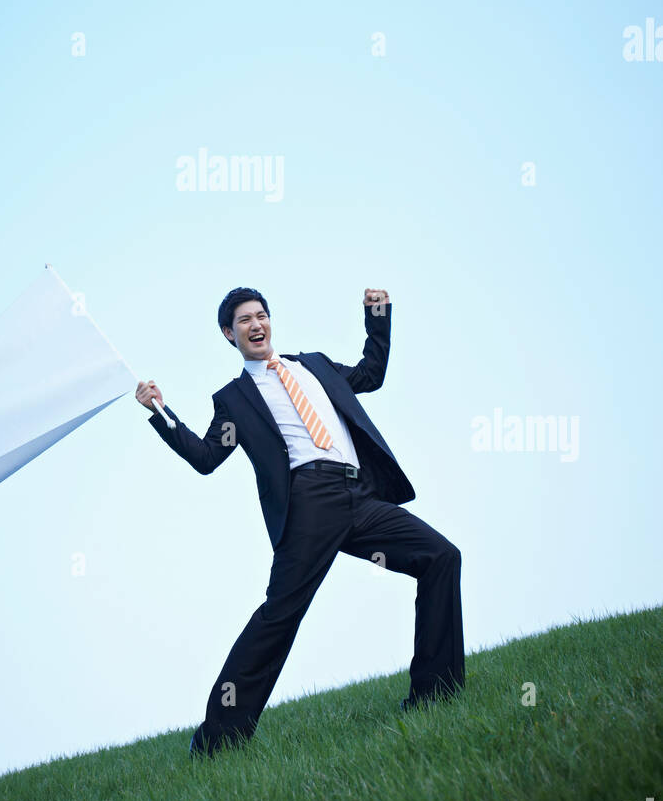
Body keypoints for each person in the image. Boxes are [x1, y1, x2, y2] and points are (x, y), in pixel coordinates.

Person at [136, 285, 464, 757]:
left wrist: (377, 316)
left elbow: (371, 375)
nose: (256, 324)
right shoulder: (234, 399)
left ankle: (436, 694)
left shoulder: (314, 364)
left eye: (262, 315)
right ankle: (216, 742)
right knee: (279, 616)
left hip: (359, 493)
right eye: (245, 320)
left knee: (440, 557)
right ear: (230, 334)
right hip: (308, 504)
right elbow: (207, 457)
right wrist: (161, 412)